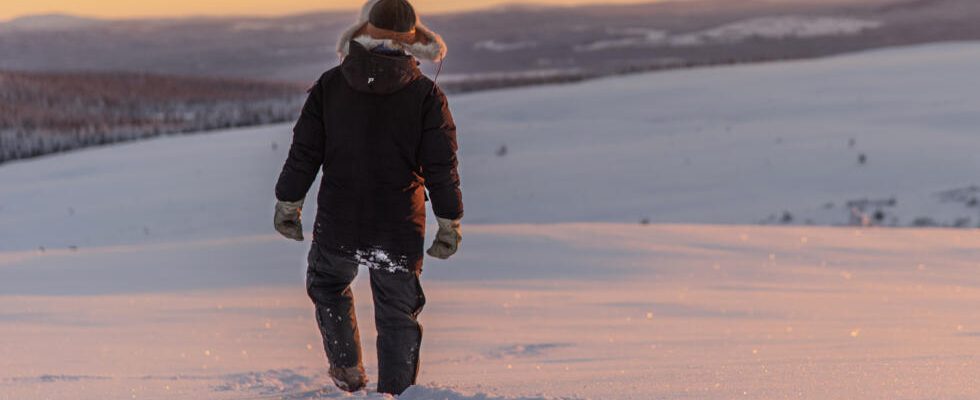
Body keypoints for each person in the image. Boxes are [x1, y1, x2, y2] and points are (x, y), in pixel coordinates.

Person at [272, 0, 463, 395]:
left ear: (365, 32)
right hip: (398, 229)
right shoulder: (427, 96)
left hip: (339, 223)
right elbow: (441, 168)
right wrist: (449, 222)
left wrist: (289, 204)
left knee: (327, 284)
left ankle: (347, 371)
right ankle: (396, 394)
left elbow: (305, 152)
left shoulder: (330, 84)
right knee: (397, 314)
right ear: (415, 42)